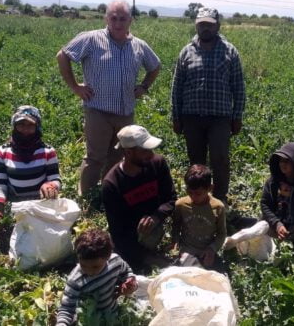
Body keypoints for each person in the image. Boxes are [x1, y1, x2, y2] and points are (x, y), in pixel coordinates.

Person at [57, 0, 161, 196]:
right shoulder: (91, 39)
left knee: (118, 156)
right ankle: (86, 198)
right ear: (106, 18)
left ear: (130, 20)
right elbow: (63, 56)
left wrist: (144, 86)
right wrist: (75, 87)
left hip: (125, 113)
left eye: (123, 19)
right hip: (98, 110)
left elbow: (155, 66)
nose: (118, 23)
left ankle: (108, 195)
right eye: (113, 18)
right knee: (95, 157)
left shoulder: (139, 45)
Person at [171, 7, 246, 203]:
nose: (205, 28)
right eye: (202, 24)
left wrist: (237, 116)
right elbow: (177, 87)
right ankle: (198, 198)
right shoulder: (186, 52)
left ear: (218, 26)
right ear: (196, 25)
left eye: (209, 25)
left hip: (220, 118)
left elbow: (238, 87)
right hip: (192, 117)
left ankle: (219, 199)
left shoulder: (230, 51)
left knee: (220, 159)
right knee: (196, 161)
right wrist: (176, 117)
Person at [101, 125, 177, 273]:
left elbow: (171, 198)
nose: (151, 154)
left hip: (156, 224)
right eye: (145, 151)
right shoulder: (112, 184)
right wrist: (151, 258)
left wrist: (156, 216)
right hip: (131, 233)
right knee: (121, 255)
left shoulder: (158, 164)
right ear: (128, 152)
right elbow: (118, 233)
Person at [0, 105, 61, 253]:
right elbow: (0, 184)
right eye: (21, 124)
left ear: (37, 127)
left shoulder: (47, 151)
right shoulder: (2, 152)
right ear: (14, 126)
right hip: (15, 204)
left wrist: (51, 185)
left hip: (40, 203)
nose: (25, 129)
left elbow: (55, 179)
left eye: (30, 125)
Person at [56, 229, 137, 326]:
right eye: (83, 265)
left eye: (95, 267)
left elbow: (127, 273)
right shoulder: (75, 280)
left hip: (112, 313)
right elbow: (67, 309)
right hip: (88, 321)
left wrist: (130, 285)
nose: (89, 272)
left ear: (107, 257)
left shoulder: (115, 262)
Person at [172, 164, 227, 270]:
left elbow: (222, 233)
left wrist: (212, 249)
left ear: (210, 188)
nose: (193, 197)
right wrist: (175, 241)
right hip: (187, 249)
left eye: (198, 193)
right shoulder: (181, 205)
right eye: (189, 192)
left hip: (207, 249)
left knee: (215, 274)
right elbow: (176, 225)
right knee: (188, 270)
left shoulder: (218, 207)